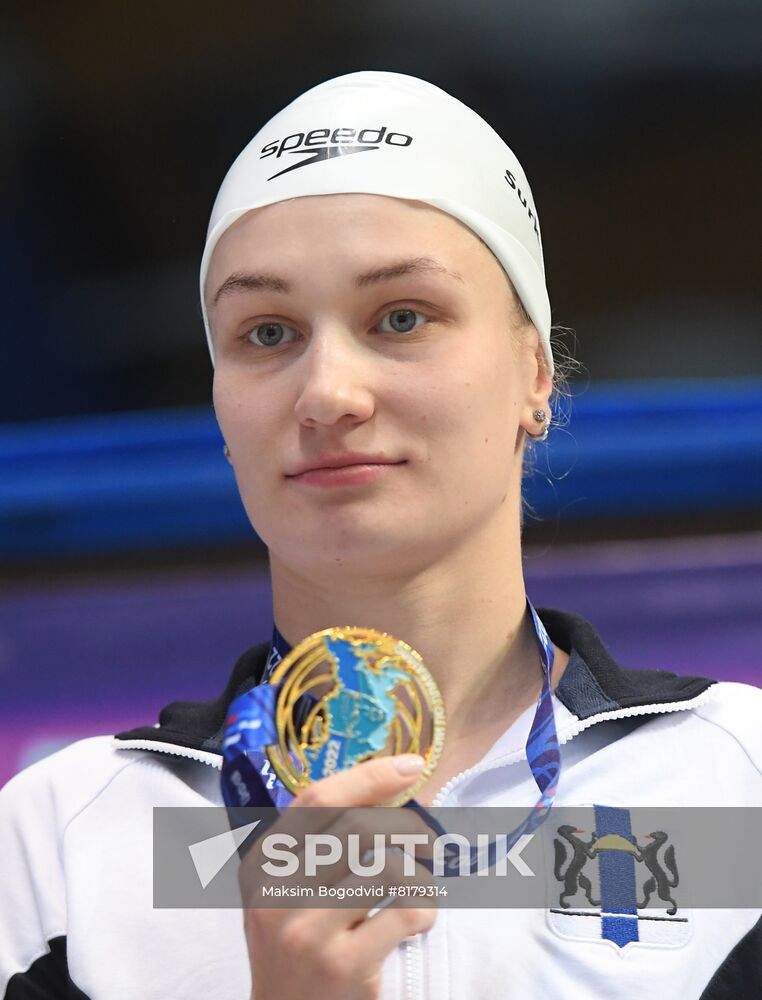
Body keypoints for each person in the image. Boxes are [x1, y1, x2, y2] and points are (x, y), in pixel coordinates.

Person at [1, 71, 760, 1000]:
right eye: (268, 332)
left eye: (402, 317)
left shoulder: (737, 780)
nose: (328, 393)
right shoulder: (67, 838)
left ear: (534, 373)